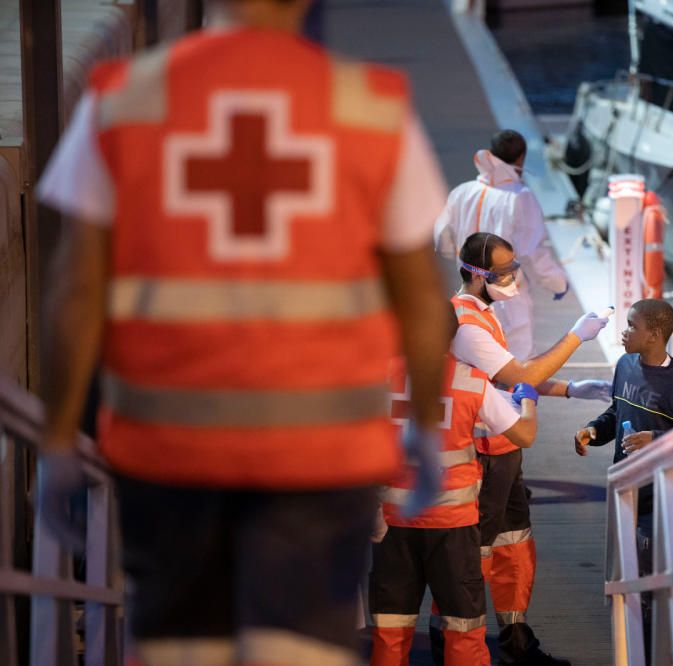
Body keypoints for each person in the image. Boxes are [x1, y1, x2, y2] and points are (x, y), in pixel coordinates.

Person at [34, 0, 453, 662]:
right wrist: (426, 426)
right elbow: (424, 300)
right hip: (322, 454)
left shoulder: (123, 99)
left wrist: (59, 438)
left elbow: (75, 291)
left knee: (183, 650)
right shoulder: (373, 107)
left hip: (170, 452)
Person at [441, 232, 610, 666]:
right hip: (480, 455)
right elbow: (523, 372)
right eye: (505, 272)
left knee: (514, 544)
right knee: (470, 559)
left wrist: (571, 389)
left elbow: (510, 380)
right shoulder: (466, 325)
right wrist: (576, 337)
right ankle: (459, 649)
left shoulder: (482, 315)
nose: (515, 277)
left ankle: (515, 640)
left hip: (503, 450)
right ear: (478, 276)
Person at [370, 322, 540, 666]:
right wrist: (528, 402)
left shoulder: (380, 375)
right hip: (453, 524)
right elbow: (524, 435)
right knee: (464, 628)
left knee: (390, 628)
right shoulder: (471, 381)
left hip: (392, 521)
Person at [573, 299, 673, 664]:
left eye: (632, 326)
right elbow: (616, 413)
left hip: (659, 499)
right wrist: (593, 430)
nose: (625, 331)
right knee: (628, 582)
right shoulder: (624, 365)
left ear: (654, 335)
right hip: (623, 493)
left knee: (650, 587)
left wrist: (658, 440)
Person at [436, 130, 570, 358]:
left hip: (468, 290)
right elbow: (532, 253)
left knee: (471, 355)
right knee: (516, 360)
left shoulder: (463, 192)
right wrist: (557, 283)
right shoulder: (519, 197)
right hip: (506, 296)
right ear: (520, 159)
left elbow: (442, 239)